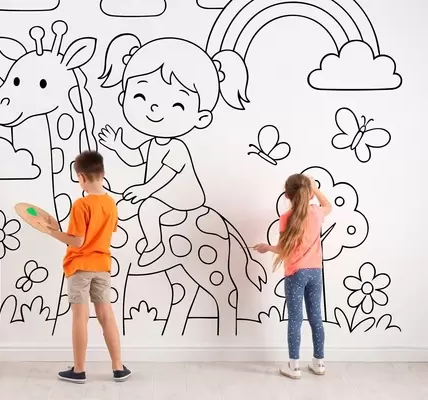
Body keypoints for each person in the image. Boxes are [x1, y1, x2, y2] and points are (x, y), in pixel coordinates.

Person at [98, 34, 248, 267]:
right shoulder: (152, 144)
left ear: (201, 117)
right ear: (123, 96)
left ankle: (154, 245)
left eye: (177, 104)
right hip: (159, 192)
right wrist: (118, 146)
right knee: (128, 205)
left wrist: (145, 189)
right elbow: (136, 158)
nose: (154, 108)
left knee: (147, 208)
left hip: (182, 198)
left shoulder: (177, 148)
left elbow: (166, 174)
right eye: (140, 96)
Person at [45, 150, 131, 384]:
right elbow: (105, 233)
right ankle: (118, 367)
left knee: (80, 317)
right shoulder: (111, 203)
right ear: (102, 173)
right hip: (102, 266)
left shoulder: (81, 205)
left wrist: (52, 232)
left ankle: (79, 370)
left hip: (80, 267)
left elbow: (77, 241)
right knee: (106, 315)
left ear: (81, 177)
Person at [253, 174, 332, 379]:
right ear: (308, 193)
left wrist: (266, 247)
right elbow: (328, 205)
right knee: (316, 317)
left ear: (287, 195)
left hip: (295, 273)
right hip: (315, 272)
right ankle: (319, 363)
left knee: (295, 319)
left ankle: (294, 366)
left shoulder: (287, 217)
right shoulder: (316, 212)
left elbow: (283, 249)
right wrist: (314, 188)